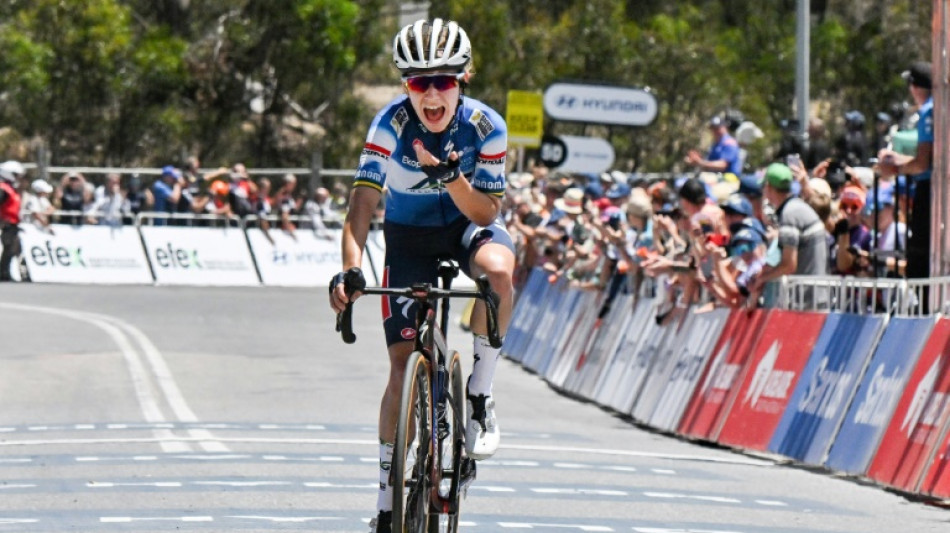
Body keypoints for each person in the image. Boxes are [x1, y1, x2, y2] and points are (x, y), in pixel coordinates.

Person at [327, 18, 515, 532]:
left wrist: (450, 177)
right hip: (407, 239)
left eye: (444, 82)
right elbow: (362, 204)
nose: (431, 94)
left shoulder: (486, 126)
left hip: (463, 228)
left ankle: (478, 396)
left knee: (499, 272)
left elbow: (485, 214)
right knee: (399, 368)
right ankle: (387, 505)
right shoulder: (389, 124)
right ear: (405, 85)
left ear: (464, 78)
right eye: (418, 82)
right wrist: (350, 268)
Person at [878, 61, 933, 286]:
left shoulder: (929, 110)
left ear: (915, 87)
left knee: (919, 253)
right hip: (934, 190)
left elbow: (922, 164)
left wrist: (894, 168)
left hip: (929, 192)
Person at [751, 163, 828, 306]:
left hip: (806, 302)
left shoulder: (789, 214)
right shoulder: (797, 207)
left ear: (768, 187)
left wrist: (762, 279)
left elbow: (789, 265)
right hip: (816, 297)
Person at [0, 161, 24, 281]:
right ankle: (3, 273)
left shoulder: (11, 189)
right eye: (16, 174)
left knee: (12, 249)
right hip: (7, 224)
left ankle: (5, 272)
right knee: (8, 248)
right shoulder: (3, 189)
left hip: (13, 223)